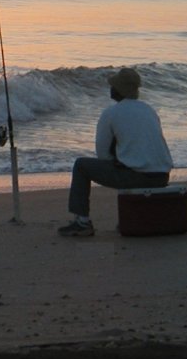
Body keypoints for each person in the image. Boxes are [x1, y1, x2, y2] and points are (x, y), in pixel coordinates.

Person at [59, 67, 173, 237]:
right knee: (127, 162)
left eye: (113, 85)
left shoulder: (111, 113)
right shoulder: (148, 110)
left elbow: (102, 154)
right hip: (162, 176)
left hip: (138, 177)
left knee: (81, 166)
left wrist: (117, 158)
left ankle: (82, 222)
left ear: (119, 90)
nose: (110, 88)